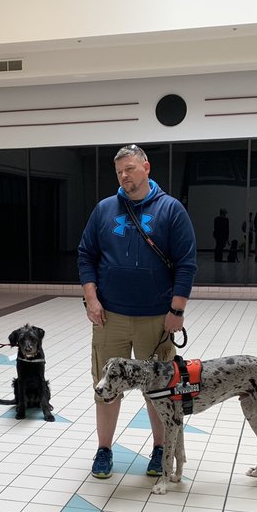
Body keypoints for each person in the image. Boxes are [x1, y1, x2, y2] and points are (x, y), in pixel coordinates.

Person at [78, 144, 197, 479]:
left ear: (146, 167)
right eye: (119, 172)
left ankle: (160, 450)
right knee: (105, 386)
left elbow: (186, 263)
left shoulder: (171, 210)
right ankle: (104, 450)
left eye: (129, 169)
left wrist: (177, 310)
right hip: (110, 317)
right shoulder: (104, 209)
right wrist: (91, 298)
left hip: (156, 318)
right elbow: (86, 255)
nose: (124, 176)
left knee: (158, 389)